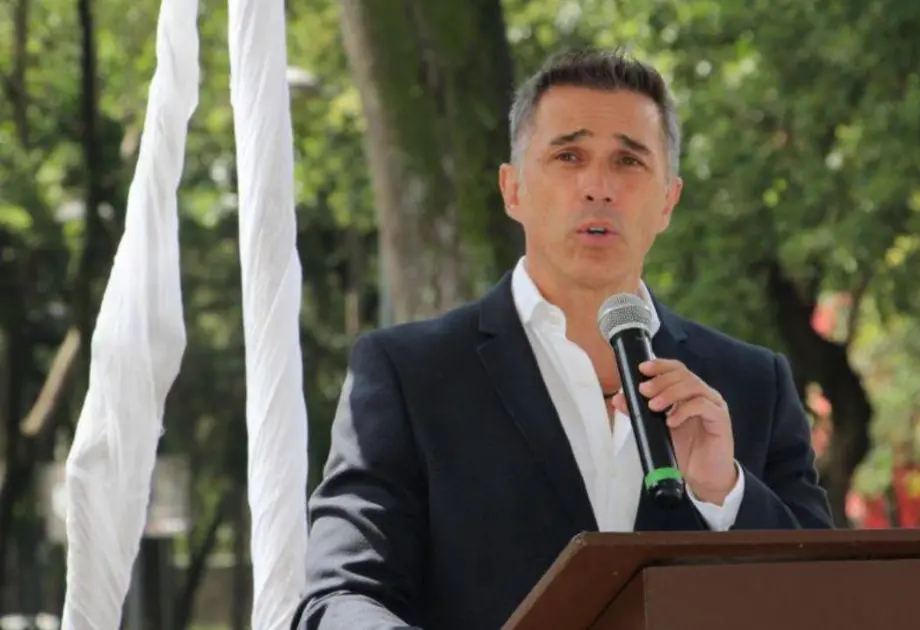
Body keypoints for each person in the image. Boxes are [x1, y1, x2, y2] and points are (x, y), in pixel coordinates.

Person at [292, 48, 834, 630]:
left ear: (668, 201)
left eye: (629, 160)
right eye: (568, 156)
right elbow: (340, 598)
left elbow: (830, 601)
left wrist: (725, 492)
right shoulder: (408, 375)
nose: (598, 186)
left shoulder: (752, 386)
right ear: (513, 190)